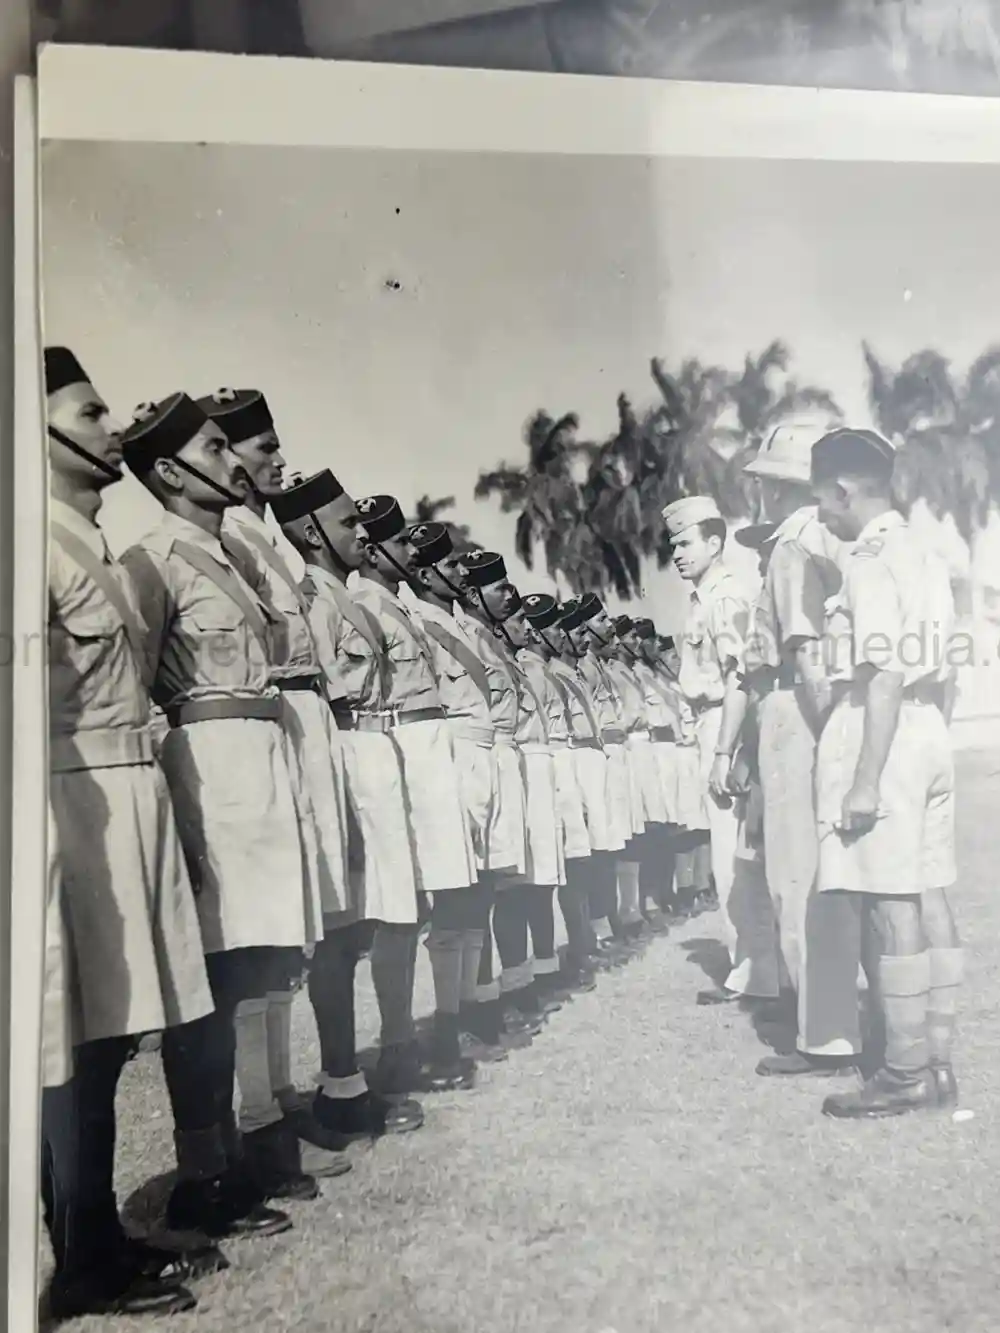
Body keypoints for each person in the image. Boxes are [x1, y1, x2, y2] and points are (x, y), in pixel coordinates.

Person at [44, 351, 229, 1320]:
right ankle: (79, 1255)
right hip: (66, 800)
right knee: (72, 1039)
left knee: (111, 1037)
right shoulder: (29, 540)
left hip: (127, 789)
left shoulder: (94, 550)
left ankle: (100, 1236)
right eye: (88, 410)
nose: (111, 426)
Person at [120, 391, 316, 1226]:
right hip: (208, 770)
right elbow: (128, 687)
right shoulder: (153, 557)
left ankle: (257, 1137)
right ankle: (205, 1173)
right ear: (169, 471)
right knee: (214, 977)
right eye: (214, 447)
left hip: (263, 760)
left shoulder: (231, 554)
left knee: (266, 961)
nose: (236, 460)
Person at [198, 387, 352, 1179]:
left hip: (297, 719)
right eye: (260, 449)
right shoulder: (221, 533)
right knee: (257, 928)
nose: (272, 461)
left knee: (295, 920)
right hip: (257, 723)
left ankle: (281, 1095)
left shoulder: (263, 533)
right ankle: (257, 1117)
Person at [809, 429, 962, 1119]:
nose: (823, 515)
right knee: (928, 892)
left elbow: (882, 673)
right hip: (927, 730)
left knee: (889, 899)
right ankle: (935, 1059)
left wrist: (867, 777)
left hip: (886, 732)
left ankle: (903, 1073)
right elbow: (943, 665)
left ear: (844, 489)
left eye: (823, 500)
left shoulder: (869, 560)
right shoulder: (926, 554)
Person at [271, 470, 425, 1137]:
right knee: (343, 924)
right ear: (310, 532)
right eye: (347, 522)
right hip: (346, 753)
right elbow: (321, 697)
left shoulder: (349, 595)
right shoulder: (314, 598)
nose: (361, 532)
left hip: (380, 753)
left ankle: (393, 1050)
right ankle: (342, 1081)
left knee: (394, 910)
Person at [741, 426, 863, 1078]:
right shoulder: (828, 536)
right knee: (824, 873)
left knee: (795, 874)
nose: (756, 489)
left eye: (763, 479)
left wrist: (824, 723)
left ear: (779, 482)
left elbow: (801, 644)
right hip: (817, 707)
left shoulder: (791, 544)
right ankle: (831, 1019)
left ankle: (821, 1033)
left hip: (794, 708)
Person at [351, 494, 479, 1094]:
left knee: (450, 894)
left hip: (434, 750)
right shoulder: (361, 607)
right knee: (399, 910)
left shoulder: (405, 610)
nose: (409, 551)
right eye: (398, 544)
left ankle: (446, 1028)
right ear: (376, 553)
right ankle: (397, 1045)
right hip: (397, 750)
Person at [661, 495, 777, 1007]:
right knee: (732, 857)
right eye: (673, 545)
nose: (678, 553)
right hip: (711, 724)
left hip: (721, 726)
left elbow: (739, 678)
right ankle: (755, 968)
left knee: (735, 860)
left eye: (686, 542)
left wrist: (724, 752)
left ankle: (755, 973)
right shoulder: (706, 596)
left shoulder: (724, 597)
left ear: (715, 541)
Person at [403, 520, 504, 1083]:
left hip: (482, 753)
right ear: (421, 572)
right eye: (448, 565)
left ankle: (472, 1008)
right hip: (453, 752)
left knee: (479, 889)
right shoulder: (418, 620)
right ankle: (447, 1025)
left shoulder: (460, 622)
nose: (461, 573)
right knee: (455, 891)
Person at [452, 551, 547, 1041]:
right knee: (476, 889)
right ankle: (477, 1002)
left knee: (502, 884)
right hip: (476, 761)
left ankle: (504, 990)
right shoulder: (460, 637)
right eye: (497, 588)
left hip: (505, 761)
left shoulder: (496, 643)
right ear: (471, 595)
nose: (509, 594)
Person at [521, 593, 598, 992]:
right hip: (546, 767)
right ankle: (549, 963)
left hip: (563, 765)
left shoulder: (551, 673)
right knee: (548, 874)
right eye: (551, 627)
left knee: (574, 864)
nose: (560, 633)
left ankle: (579, 947)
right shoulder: (530, 671)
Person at [498, 597, 570, 1020]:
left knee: (543, 879)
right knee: (513, 886)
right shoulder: (513, 663)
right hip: (516, 766)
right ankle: (514, 983)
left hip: (538, 770)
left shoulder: (528, 665)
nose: (525, 626)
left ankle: (544, 970)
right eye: (517, 618)